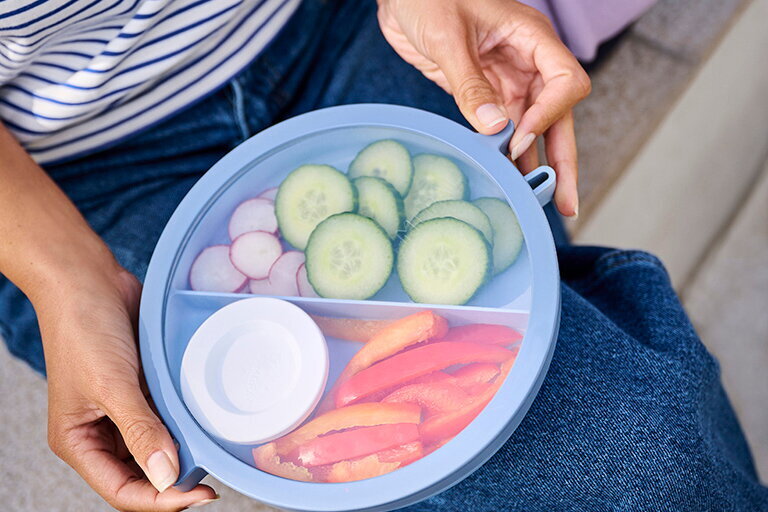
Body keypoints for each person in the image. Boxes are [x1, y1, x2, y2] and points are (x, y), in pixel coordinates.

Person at [1, 1, 766, 511]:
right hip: (72, 169)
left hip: (331, 20)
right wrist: (61, 274)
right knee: (635, 463)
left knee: (647, 448)